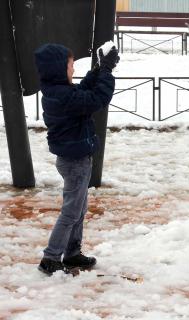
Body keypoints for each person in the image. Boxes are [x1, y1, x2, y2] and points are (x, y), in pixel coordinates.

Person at [34, 43, 119, 275]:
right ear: (58, 69)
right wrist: (107, 71)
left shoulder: (59, 91)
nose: (73, 69)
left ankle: (72, 253)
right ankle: (51, 257)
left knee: (79, 209)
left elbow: (83, 92)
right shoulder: (63, 96)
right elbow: (96, 99)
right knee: (71, 211)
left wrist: (97, 70)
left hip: (75, 159)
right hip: (75, 162)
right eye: (70, 65)